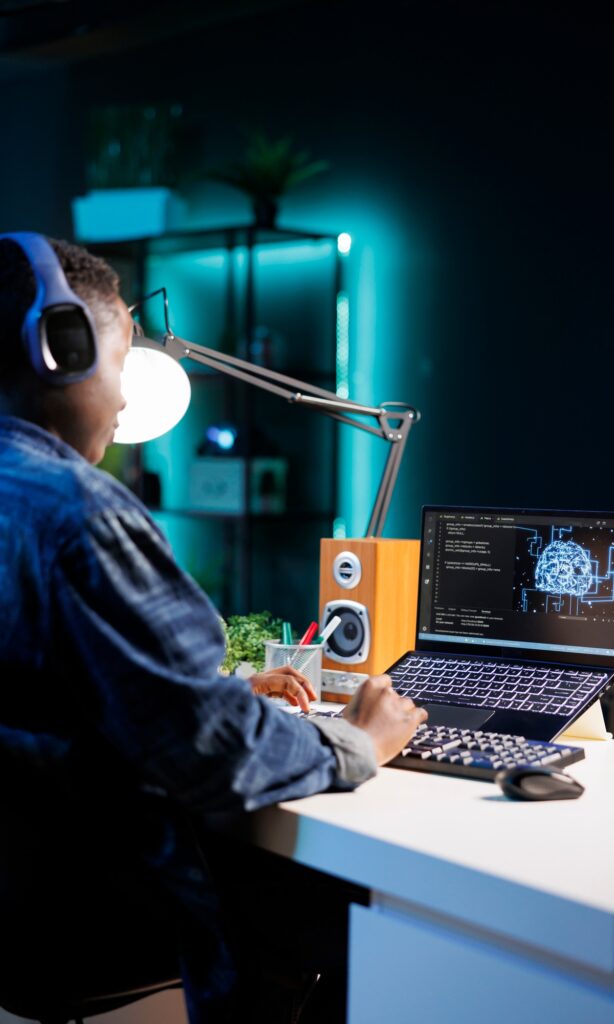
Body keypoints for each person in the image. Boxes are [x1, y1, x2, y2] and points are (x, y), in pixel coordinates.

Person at [0, 235, 427, 1023]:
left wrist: (219, 688)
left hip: (17, 918)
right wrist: (360, 740)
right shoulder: (76, 513)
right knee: (385, 911)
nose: (126, 402)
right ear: (60, 348)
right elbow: (212, 754)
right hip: (93, 914)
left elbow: (49, 691)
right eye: (123, 364)